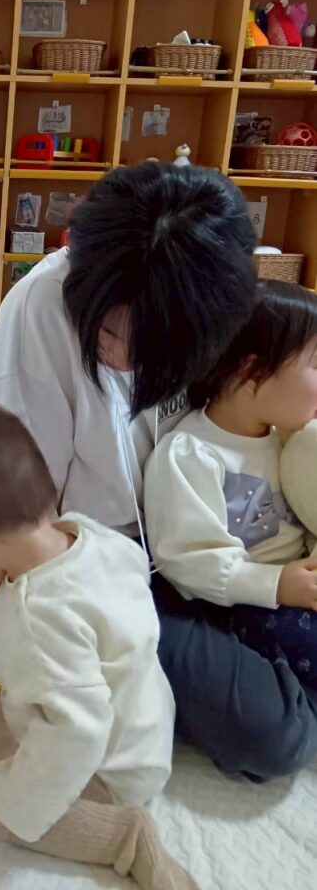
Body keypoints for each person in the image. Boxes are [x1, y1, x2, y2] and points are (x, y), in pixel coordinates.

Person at [0, 161, 317, 780]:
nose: (118, 352)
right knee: (273, 735)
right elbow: (23, 516)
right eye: (106, 329)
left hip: (219, 541)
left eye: (145, 342)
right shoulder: (39, 312)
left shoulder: (212, 299)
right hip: (110, 568)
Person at [0, 406, 196, 890]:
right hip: (148, 717)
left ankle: (127, 837)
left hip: (112, 767)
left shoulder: (35, 620)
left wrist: (17, 798)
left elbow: (78, 734)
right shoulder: (87, 533)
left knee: (8, 814)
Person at [145, 281, 317, 691]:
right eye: (316, 365)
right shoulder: (191, 453)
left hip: (296, 587)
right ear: (251, 372)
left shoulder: (289, 439)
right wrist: (276, 584)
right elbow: (189, 561)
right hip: (238, 605)